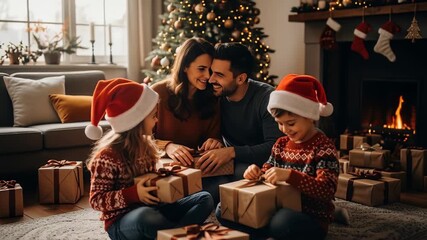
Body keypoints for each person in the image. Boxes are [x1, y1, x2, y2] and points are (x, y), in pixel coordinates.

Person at [85, 78, 214, 240]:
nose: (157, 120)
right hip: (123, 221)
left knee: (205, 198)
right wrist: (134, 194)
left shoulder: (147, 146)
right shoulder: (106, 157)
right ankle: (175, 232)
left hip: (155, 208)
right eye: (153, 116)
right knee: (146, 217)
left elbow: (152, 179)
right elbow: (96, 201)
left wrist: (164, 174)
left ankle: (171, 235)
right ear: (136, 121)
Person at [234, 74, 340, 240]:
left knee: (281, 222)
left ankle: (263, 231)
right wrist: (256, 173)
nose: (284, 129)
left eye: (291, 123)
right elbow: (267, 170)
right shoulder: (280, 144)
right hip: (274, 208)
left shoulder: (324, 148)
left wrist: (290, 176)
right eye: (279, 123)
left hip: (309, 217)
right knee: (224, 209)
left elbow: (327, 190)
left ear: (310, 117)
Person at [197, 42, 284, 202]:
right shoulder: (214, 95)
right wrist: (215, 142)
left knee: (233, 181)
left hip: (264, 167)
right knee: (205, 189)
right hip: (231, 163)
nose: (210, 79)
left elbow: (275, 148)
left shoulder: (267, 98)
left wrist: (231, 152)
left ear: (241, 78)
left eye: (219, 75)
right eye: (211, 72)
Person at [151, 37, 223, 166]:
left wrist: (215, 142)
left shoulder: (213, 98)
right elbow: (139, 139)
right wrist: (167, 146)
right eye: (201, 69)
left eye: (210, 70)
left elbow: (214, 137)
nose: (208, 76)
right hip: (162, 166)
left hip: (196, 168)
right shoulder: (157, 92)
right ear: (184, 67)